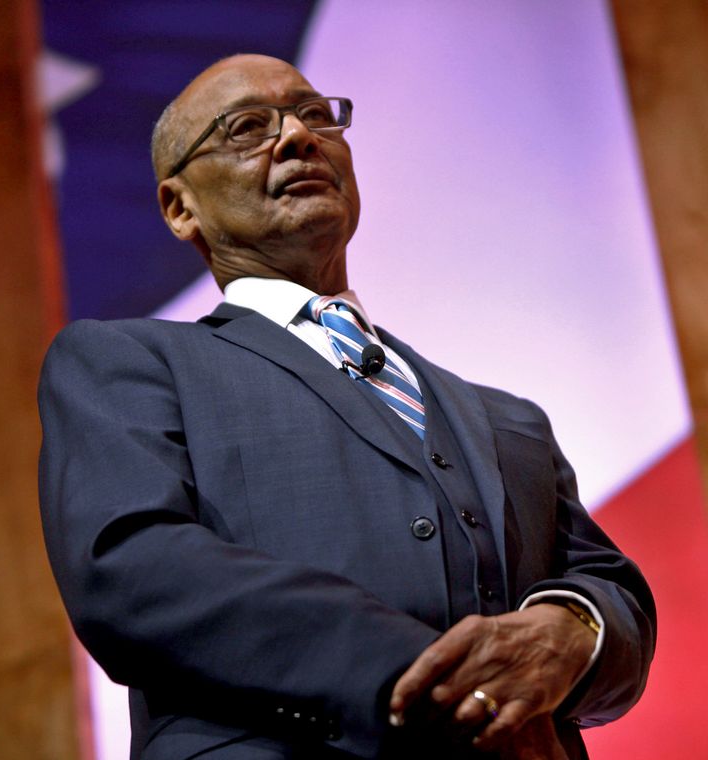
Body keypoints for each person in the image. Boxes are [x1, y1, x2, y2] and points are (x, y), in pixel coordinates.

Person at [38, 54, 655, 760]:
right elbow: (133, 571)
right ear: (180, 207)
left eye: (316, 115)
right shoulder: (128, 365)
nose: (298, 138)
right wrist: (442, 682)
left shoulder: (510, 420)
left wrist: (572, 631)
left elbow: (608, 585)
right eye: (245, 128)